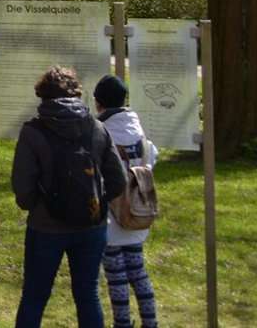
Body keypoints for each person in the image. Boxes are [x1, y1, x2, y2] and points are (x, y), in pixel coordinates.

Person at [11, 64, 127, 328]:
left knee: (34, 297)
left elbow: (23, 187)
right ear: (77, 94)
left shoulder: (33, 132)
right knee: (87, 295)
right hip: (91, 224)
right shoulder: (97, 128)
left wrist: (37, 205)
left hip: (46, 227)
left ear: (43, 95)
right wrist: (98, 201)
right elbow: (118, 181)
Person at [95, 74, 160, 328]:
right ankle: (150, 321)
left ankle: (122, 323)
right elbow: (151, 158)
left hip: (111, 217)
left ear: (99, 103)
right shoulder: (137, 131)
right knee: (139, 272)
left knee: (116, 276)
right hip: (138, 212)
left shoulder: (103, 133)